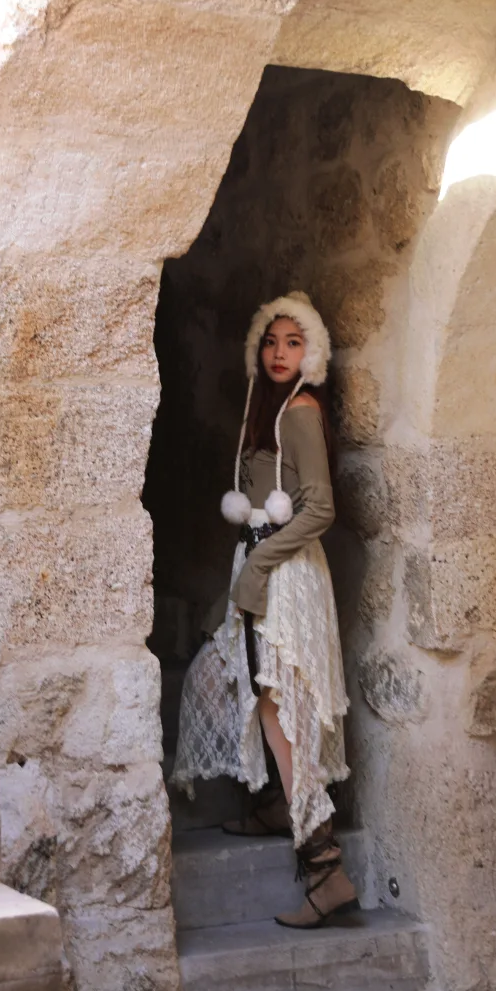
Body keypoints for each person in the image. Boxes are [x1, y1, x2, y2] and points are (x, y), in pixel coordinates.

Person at [170, 292, 355, 928]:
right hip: (263, 566)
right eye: (271, 341)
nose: (280, 353)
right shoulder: (268, 411)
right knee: (232, 686)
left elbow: (320, 508)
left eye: (293, 343)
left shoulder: (299, 412)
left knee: (281, 712)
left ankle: (326, 868)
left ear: (312, 353)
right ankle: (278, 803)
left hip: (287, 576)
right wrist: (234, 588)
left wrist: (255, 570)